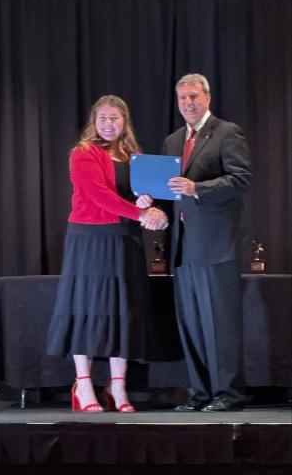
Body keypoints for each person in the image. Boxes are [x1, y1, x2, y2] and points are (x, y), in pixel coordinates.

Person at [47, 95, 167, 413]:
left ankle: (118, 386)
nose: (109, 123)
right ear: (94, 121)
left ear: (124, 121)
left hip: (125, 238)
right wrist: (140, 214)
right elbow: (98, 195)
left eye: (115, 118)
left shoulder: (134, 156)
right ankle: (83, 385)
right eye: (103, 118)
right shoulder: (83, 153)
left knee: (122, 309)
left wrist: (148, 205)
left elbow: (140, 194)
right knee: (86, 307)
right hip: (90, 238)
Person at [164, 73, 252, 412]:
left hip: (217, 245)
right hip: (184, 246)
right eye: (182, 98)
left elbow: (241, 178)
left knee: (221, 322)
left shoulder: (226, 132)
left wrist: (197, 188)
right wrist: (151, 204)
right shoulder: (173, 140)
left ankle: (228, 393)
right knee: (192, 322)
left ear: (207, 98)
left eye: (193, 96)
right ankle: (199, 392)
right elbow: (167, 190)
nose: (188, 102)